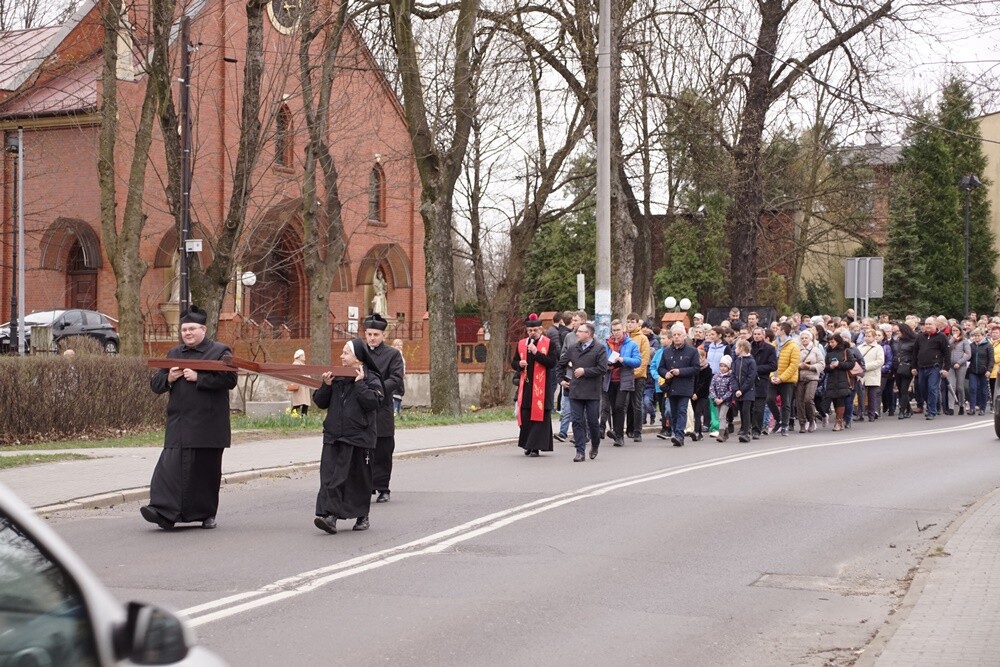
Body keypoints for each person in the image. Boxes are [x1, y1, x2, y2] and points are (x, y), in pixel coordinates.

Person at [142, 305, 237, 530]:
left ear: (203, 330)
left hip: (209, 425)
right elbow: (156, 385)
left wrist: (199, 377)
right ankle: (162, 511)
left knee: (204, 472)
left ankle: (206, 515)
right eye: (184, 330)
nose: (188, 333)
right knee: (170, 469)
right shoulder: (174, 354)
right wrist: (170, 379)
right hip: (179, 423)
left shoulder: (220, 351)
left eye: (192, 329)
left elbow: (230, 380)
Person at [312, 340, 383, 534]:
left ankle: (362, 516)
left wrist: (360, 385)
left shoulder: (371, 377)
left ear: (358, 357)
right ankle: (330, 516)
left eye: (346, 353)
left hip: (358, 437)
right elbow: (320, 402)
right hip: (334, 435)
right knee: (330, 477)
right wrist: (326, 385)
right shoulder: (337, 376)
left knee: (356, 479)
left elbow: (373, 403)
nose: (341, 356)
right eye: (342, 353)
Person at [361, 313, 405, 502]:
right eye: (369, 334)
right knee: (364, 450)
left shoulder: (392, 355)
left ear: (383, 336)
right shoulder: (359, 353)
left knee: (383, 449)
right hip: (362, 407)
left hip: (382, 406)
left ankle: (382, 487)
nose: (372, 338)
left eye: (376, 335)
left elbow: (396, 378)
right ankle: (365, 485)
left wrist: (377, 390)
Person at [557, 321, 608, 461]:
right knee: (577, 421)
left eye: (580, 331)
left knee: (592, 421)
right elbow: (560, 365)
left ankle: (595, 444)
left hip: (592, 391)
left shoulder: (599, 349)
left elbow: (603, 368)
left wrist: (585, 371)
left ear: (588, 334)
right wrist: (561, 380)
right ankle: (580, 451)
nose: (577, 333)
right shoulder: (573, 348)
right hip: (576, 391)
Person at [511, 313, 558, 457]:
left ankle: (535, 447)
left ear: (540, 329)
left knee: (539, 418)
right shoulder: (521, 344)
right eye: (530, 331)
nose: (533, 333)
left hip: (542, 389)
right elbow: (513, 363)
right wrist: (519, 364)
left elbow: (551, 363)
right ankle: (527, 445)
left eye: (535, 330)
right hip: (526, 388)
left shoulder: (549, 343)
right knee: (526, 417)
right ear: (527, 331)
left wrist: (536, 353)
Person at [657, 323, 699, 447]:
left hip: (685, 386)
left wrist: (680, 372)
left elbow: (696, 368)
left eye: (679, 335)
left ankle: (680, 435)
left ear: (684, 336)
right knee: (673, 412)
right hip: (671, 386)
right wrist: (666, 374)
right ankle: (675, 433)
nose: (676, 337)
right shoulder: (667, 351)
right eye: (674, 335)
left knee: (682, 410)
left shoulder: (691, 351)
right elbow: (660, 368)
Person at [601, 320, 641, 447]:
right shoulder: (607, 344)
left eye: (618, 330)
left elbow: (637, 361)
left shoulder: (631, 344)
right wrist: (606, 364)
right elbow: (601, 359)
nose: (616, 333)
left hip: (624, 380)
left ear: (623, 330)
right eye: (614, 330)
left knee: (619, 406)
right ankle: (617, 433)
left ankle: (619, 435)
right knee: (613, 407)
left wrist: (623, 359)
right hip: (610, 379)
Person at [554, 311, 587, 443]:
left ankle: (581, 433)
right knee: (566, 406)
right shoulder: (568, 336)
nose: (573, 322)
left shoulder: (589, 337)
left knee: (580, 409)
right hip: (569, 375)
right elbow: (563, 353)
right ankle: (563, 432)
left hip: (583, 378)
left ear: (583, 321)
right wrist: (567, 361)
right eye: (572, 320)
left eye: (576, 320)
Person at [766, 322, 800, 436]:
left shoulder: (793, 346)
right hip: (774, 377)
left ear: (783, 331)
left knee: (786, 403)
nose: (776, 330)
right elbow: (769, 362)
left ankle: (785, 425)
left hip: (787, 380)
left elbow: (793, 365)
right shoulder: (774, 344)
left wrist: (781, 378)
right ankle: (779, 420)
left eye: (778, 329)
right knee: (769, 399)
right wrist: (772, 376)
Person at [912, 317, 950, 420]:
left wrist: (946, 368)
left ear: (935, 325)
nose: (927, 326)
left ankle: (932, 411)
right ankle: (929, 406)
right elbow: (915, 352)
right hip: (921, 367)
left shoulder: (941, 337)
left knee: (932, 389)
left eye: (930, 324)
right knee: (923, 389)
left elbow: (947, 354)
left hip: (934, 367)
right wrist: (914, 367)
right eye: (926, 324)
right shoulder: (920, 337)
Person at [625, 313, 651, 441]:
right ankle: (628, 429)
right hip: (625, 376)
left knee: (636, 403)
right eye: (628, 321)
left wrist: (635, 373)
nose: (629, 324)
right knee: (626, 404)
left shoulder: (642, 338)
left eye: (632, 322)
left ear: (638, 324)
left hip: (638, 376)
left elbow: (644, 359)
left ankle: (637, 431)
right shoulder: (625, 337)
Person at [825, 333, 856, 431]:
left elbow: (851, 364)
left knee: (840, 400)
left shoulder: (846, 351)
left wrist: (839, 364)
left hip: (843, 379)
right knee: (834, 400)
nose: (831, 344)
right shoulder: (829, 353)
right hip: (832, 380)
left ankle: (839, 421)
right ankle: (840, 421)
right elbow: (825, 367)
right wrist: (830, 367)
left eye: (832, 342)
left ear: (838, 341)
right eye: (829, 342)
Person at [795, 329, 824, 433]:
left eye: (806, 338)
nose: (804, 340)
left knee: (808, 399)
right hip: (799, 378)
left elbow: (822, 364)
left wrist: (810, 366)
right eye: (802, 338)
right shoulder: (797, 350)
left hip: (812, 377)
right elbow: (792, 362)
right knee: (799, 401)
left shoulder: (816, 350)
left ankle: (812, 420)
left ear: (810, 338)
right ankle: (802, 423)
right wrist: (797, 366)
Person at [730, 339, 757, 443]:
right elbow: (733, 376)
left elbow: (751, 378)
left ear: (742, 348)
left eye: (737, 347)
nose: (735, 350)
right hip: (738, 392)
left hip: (748, 391)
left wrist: (742, 390)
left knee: (746, 411)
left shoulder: (751, 361)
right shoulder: (736, 361)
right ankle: (744, 429)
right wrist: (736, 389)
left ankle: (746, 432)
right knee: (741, 410)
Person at [857, 328, 885, 422]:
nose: (867, 338)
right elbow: (856, 358)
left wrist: (866, 366)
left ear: (874, 337)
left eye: (869, 336)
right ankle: (859, 414)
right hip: (861, 375)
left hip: (873, 374)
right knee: (861, 396)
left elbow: (880, 361)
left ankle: (871, 414)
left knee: (872, 396)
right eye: (866, 336)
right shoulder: (860, 347)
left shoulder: (878, 348)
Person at [968, 328, 994, 416]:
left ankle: (982, 408)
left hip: (984, 371)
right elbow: (969, 357)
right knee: (972, 388)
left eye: (978, 336)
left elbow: (991, 359)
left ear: (983, 336)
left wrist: (989, 370)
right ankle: (972, 408)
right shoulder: (971, 345)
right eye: (975, 336)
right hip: (973, 370)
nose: (976, 337)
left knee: (983, 390)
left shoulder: (988, 345)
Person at [709, 355, 734, 442]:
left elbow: (731, 390)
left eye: (725, 366)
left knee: (722, 416)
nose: (723, 368)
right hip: (717, 400)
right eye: (721, 366)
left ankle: (721, 434)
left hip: (725, 401)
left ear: (729, 367)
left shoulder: (730, 377)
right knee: (720, 417)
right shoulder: (716, 376)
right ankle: (725, 431)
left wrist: (723, 399)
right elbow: (712, 388)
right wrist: (715, 398)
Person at [946, 326, 970, 415]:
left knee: (960, 387)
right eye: (953, 330)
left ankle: (961, 405)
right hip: (950, 366)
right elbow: (945, 348)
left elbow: (968, 354)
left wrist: (959, 362)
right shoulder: (949, 340)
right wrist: (952, 339)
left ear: (960, 331)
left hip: (961, 365)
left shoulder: (964, 341)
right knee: (951, 386)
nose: (955, 332)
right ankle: (951, 407)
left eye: (956, 330)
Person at [289, 349, 312, 415]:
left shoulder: (302, 364)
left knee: (305, 404)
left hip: (304, 387)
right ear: (299, 356)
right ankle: (294, 416)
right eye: (303, 355)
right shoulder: (296, 364)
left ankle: (303, 418)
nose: (304, 356)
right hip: (300, 388)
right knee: (298, 404)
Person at [391, 338, 406, 417]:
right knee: (396, 393)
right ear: (393, 346)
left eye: (400, 345)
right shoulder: (393, 354)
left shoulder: (400, 354)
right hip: (395, 376)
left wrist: (404, 373)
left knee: (400, 392)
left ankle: (398, 410)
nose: (399, 347)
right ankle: (394, 410)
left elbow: (403, 365)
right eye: (397, 345)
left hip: (401, 377)